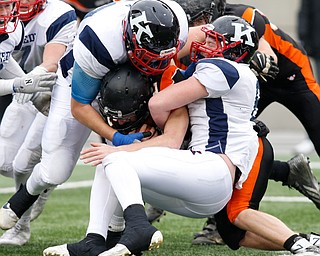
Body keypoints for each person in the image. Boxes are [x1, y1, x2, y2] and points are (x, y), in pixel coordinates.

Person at [43, 14, 261, 256]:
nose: (204, 44)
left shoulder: (224, 68)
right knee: (108, 164)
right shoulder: (216, 87)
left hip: (212, 169)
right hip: (199, 182)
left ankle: (138, 228)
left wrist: (127, 142)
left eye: (213, 42)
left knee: (114, 157)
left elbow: (159, 106)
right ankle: (94, 240)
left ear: (234, 50)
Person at [0, 0, 188, 237]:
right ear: (129, 38)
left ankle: (116, 229)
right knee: (55, 171)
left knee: (130, 158)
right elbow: (80, 106)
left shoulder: (175, 19)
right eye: (147, 55)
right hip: (79, 84)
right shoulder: (99, 40)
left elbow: (190, 41)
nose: (155, 62)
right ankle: (24, 196)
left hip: (134, 85)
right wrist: (115, 137)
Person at [169, 0, 320, 246]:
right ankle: (221, 218)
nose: (195, 27)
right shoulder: (201, 34)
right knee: (212, 140)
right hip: (244, 82)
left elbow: (267, 57)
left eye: (198, 19)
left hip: (290, 76)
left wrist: (259, 60)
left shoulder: (241, 16)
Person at [0, 0, 78, 246]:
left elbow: (51, 62)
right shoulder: (12, 22)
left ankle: (20, 226)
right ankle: (42, 183)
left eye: (8, 5)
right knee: (4, 163)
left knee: (24, 164)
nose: (13, 8)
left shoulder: (57, 14)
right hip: (25, 89)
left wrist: (27, 82)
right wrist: (20, 84)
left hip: (56, 92)